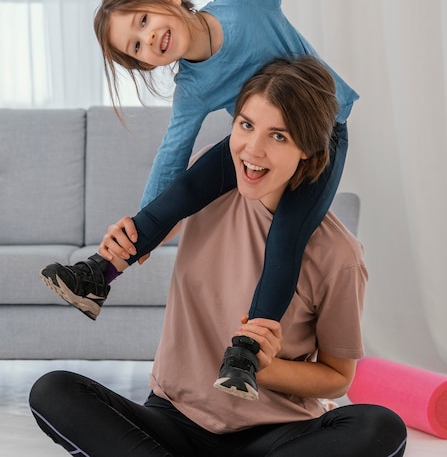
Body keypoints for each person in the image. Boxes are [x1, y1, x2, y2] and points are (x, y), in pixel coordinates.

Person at [40, 0, 363, 400]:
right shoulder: (192, 90)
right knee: (187, 185)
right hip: (256, 142)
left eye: (143, 23)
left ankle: (245, 352)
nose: (148, 40)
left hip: (316, 137)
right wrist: (139, 240)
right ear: (149, 65)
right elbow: (172, 165)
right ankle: (100, 274)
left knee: (286, 237)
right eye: (137, 49)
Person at [30, 56, 407, 457]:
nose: (252, 149)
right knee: (53, 390)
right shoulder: (210, 186)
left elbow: (336, 378)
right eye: (246, 125)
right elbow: (157, 227)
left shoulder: (338, 254)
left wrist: (269, 368)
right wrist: (121, 243)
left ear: (308, 152)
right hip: (173, 419)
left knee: (381, 427)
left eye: (278, 136)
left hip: (275, 436)